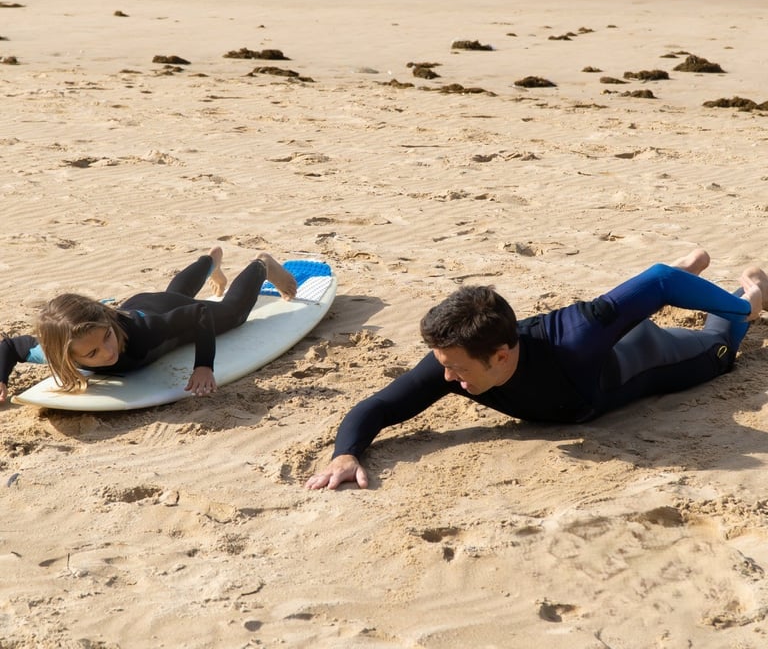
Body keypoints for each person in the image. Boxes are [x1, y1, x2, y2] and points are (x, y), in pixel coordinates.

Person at [306, 249, 767, 490]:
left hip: (646, 356)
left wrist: (740, 308)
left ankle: (751, 291)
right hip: (596, 346)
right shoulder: (456, 358)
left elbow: (660, 283)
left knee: (718, 350)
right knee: (624, 308)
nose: (446, 379)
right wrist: (346, 454)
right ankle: (682, 277)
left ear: (501, 356)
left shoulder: (572, 337)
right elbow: (381, 406)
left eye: (457, 370)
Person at [0, 246, 297, 403]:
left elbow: (199, 315)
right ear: (65, 356)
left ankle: (262, 264)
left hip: (159, 313)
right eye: (91, 354)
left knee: (232, 314)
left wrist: (203, 366)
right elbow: (10, 346)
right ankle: (209, 262)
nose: (107, 351)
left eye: (107, 337)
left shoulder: (147, 334)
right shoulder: (56, 350)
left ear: (106, 320)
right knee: (175, 293)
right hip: (142, 303)